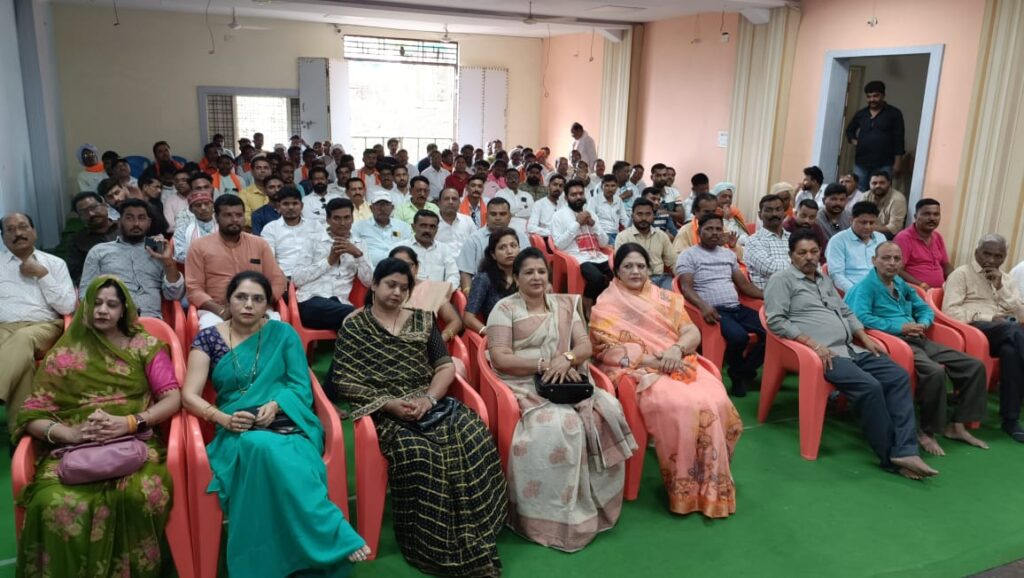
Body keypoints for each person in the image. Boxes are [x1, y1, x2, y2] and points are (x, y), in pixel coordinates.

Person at [182, 271, 369, 576]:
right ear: (228, 300)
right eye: (241, 297)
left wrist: (276, 403)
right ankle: (331, 531)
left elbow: (300, 386)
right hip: (236, 426)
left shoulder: (283, 334)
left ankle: (317, 539)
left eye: (257, 299)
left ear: (267, 305)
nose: (248, 305)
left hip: (287, 420)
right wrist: (224, 419)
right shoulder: (208, 339)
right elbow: (189, 395)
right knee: (257, 445)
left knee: (275, 449)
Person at [331, 259, 506, 575]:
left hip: (430, 403)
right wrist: (388, 404)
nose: (397, 292)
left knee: (472, 432)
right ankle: (433, 544)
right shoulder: (355, 326)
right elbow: (343, 379)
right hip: (387, 413)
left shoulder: (421, 320)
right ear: (374, 285)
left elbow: (444, 366)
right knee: (421, 453)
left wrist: (429, 398)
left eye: (404, 288)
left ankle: (479, 526)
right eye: (390, 285)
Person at [14, 276, 183, 577]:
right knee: (49, 502)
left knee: (138, 495)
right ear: (86, 307)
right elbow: (33, 414)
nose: (103, 310)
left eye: (112, 304)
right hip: (71, 450)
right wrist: (71, 434)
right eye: (97, 303)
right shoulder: (63, 356)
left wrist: (129, 422)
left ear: (124, 310)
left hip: (134, 444)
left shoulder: (144, 346)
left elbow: (172, 398)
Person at [487, 247, 637, 551]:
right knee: (563, 425)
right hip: (525, 382)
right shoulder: (504, 308)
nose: (536, 277)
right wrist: (544, 365)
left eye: (541, 271)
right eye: (528, 272)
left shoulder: (565, 305)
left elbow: (584, 346)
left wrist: (566, 359)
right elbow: (500, 358)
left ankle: (596, 502)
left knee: (607, 409)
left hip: (568, 377)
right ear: (516, 277)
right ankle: (550, 516)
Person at [765, 229, 938, 479]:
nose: (809, 257)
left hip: (851, 348)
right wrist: (812, 343)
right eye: (802, 253)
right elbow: (776, 320)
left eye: (814, 252)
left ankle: (906, 450)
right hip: (822, 354)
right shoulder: (781, 280)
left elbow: (846, 311)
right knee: (870, 387)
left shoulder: (823, 279)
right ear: (791, 255)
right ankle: (890, 458)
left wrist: (865, 338)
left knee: (898, 376)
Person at [591, 243, 742, 517]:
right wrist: (655, 362)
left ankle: (711, 482)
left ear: (649, 269)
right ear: (617, 271)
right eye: (628, 266)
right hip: (642, 371)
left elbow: (691, 331)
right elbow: (605, 350)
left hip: (679, 360)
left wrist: (676, 350)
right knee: (682, 405)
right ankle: (685, 489)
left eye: (641, 266)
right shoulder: (606, 304)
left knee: (717, 398)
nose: (635, 271)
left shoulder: (665, 298)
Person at [845, 242, 988, 456]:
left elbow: (923, 308)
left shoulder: (900, 283)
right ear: (874, 261)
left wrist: (923, 323)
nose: (892, 263)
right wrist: (900, 327)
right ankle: (926, 431)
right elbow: (860, 318)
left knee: (974, 365)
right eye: (886, 258)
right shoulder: (865, 287)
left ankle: (957, 426)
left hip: (919, 338)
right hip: (894, 342)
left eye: (896, 259)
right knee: (934, 371)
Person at [943, 234, 1024, 442]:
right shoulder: (961, 274)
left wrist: (1000, 287)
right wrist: (988, 317)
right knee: (1014, 331)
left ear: (1004, 257)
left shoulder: (1006, 279)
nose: (991, 260)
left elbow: (1021, 313)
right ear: (976, 252)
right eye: (987, 254)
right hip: (974, 330)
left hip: (1005, 333)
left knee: (1011, 350)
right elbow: (950, 311)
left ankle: (1010, 419)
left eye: (998, 256)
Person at [676, 214, 766, 396]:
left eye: (718, 229)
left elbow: (744, 286)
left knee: (772, 332)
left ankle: (741, 372)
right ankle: (740, 375)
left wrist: (769, 296)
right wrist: (703, 306)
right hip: (714, 311)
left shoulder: (728, 254)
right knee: (739, 338)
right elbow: (686, 288)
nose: (715, 233)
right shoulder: (688, 255)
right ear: (699, 232)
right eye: (709, 229)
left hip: (737, 307)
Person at [0, 213, 75, 425]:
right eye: (10, 230)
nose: (18, 233)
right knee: (21, 360)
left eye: (23, 227)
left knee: (22, 338)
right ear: (3, 238)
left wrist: (42, 274)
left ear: (34, 231)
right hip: (4, 328)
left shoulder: (55, 263)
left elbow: (67, 306)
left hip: (44, 327)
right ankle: (22, 429)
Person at [185, 195, 287, 329]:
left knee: (275, 327)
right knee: (210, 331)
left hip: (257, 307)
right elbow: (194, 288)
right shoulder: (199, 246)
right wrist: (221, 311)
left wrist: (260, 303)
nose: (234, 219)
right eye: (228, 215)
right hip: (217, 310)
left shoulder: (259, 244)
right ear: (216, 217)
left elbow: (277, 280)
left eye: (239, 215)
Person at [81, 199, 184, 319]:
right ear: (120, 221)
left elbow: (175, 295)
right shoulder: (99, 251)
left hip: (150, 320)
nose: (136, 223)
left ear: (149, 222)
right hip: (112, 320)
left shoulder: (158, 250)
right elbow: (85, 293)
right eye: (129, 218)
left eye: (142, 218)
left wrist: (168, 262)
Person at [292, 198, 372, 331]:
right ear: (328, 220)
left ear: (352, 218)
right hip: (311, 301)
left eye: (347, 218)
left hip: (341, 303)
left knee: (355, 318)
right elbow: (297, 279)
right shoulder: (313, 240)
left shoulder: (359, 244)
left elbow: (369, 282)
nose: (342, 223)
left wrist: (358, 255)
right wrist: (329, 261)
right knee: (357, 316)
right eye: (337, 218)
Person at [552, 179, 613, 314]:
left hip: (598, 256)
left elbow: (604, 243)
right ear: (566, 198)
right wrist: (577, 224)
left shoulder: (591, 214)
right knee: (597, 278)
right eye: (574, 195)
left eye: (580, 193)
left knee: (618, 273)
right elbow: (559, 245)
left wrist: (593, 224)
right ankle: (587, 303)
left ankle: (606, 305)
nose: (578, 197)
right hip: (578, 259)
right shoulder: (559, 216)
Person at [388, 246, 463, 342]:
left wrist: (441, 339)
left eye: (408, 265)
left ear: (417, 268)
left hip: (423, 345)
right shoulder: (382, 289)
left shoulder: (432, 289)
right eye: (397, 265)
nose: (403, 269)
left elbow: (455, 321)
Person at [456, 197, 530, 292]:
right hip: (484, 291)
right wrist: (469, 294)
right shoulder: (474, 240)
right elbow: (465, 272)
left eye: (502, 214)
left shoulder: (522, 237)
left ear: (509, 217)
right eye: (493, 214)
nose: (498, 218)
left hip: (520, 290)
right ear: (486, 216)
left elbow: (530, 265)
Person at [845, 80, 906, 190]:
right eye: (869, 97)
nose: (872, 99)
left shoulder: (894, 113)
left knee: (881, 192)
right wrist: (856, 142)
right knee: (859, 192)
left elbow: (899, 139)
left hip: (884, 163)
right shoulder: (861, 114)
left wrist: (898, 163)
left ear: (883, 95)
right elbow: (849, 131)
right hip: (861, 163)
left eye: (875, 96)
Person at [463, 227, 520, 336]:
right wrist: (489, 333)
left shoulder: (525, 275)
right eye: (502, 247)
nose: (509, 251)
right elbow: (468, 318)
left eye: (513, 246)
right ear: (493, 254)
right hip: (499, 336)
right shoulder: (484, 279)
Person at [614, 198, 676, 289]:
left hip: (661, 279)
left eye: (648, 214)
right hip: (636, 279)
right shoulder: (623, 237)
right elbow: (620, 266)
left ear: (653, 216)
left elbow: (673, 262)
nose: (644, 218)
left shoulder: (661, 235)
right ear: (632, 216)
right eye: (639, 214)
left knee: (673, 294)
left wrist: (682, 278)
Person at [825, 201, 887, 292]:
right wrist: (856, 292)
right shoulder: (838, 241)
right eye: (863, 222)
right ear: (851, 220)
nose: (868, 227)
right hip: (853, 292)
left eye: (872, 223)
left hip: (881, 290)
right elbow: (836, 275)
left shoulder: (881, 238)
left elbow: (886, 268)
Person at [893, 198, 952, 290]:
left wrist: (955, 279)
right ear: (915, 216)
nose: (932, 218)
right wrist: (921, 285)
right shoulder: (904, 238)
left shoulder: (937, 237)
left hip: (939, 291)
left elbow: (946, 265)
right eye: (926, 214)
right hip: (914, 291)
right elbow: (897, 269)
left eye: (936, 214)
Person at [351, 190, 413, 266]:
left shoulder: (404, 227)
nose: (382, 208)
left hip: (398, 269)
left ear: (392, 208)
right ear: (371, 208)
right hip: (370, 270)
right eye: (378, 204)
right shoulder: (358, 227)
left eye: (386, 204)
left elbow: (409, 251)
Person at [69, 191, 119, 285]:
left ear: (105, 205)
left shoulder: (124, 227)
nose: (91, 214)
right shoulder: (78, 241)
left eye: (94, 207)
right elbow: (77, 273)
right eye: (83, 212)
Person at [743, 194, 790, 289]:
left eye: (778, 209)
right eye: (769, 210)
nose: (774, 214)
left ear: (784, 213)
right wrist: (801, 265)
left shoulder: (793, 238)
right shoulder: (753, 241)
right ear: (760, 215)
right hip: (771, 293)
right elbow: (770, 268)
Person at [407, 210, 459, 288]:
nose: (427, 230)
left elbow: (453, 276)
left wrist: (442, 291)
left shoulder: (444, 249)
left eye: (432, 227)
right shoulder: (400, 248)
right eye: (423, 226)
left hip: (438, 293)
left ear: (437, 229)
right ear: (413, 227)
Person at [173, 189, 218, 263]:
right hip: (195, 268)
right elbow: (180, 255)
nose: (203, 208)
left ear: (213, 205)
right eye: (198, 205)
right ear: (191, 209)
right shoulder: (183, 230)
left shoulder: (223, 226)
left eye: (206, 203)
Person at [863, 170, 907, 239]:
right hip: (868, 229)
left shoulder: (897, 199)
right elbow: (860, 217)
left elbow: (895, 227)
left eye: (882, 183)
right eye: (874, 183)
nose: (878, 186)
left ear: (889, 183)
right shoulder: (865, 196)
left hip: (888, 233)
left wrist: (871, 228)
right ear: (869, 184)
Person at [589, 174, 630, 245]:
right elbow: (591, 220)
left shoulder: (618, 200)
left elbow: (624, 219)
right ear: (602, 186)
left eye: (613, 186)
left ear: (617, 187)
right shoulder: (594, 200)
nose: (610, 189)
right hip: (601, 234)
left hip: (616, 234)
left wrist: (631, 231)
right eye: (607, 186)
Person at [435, 187, 475, 259]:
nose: (451, 202)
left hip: (465, 263)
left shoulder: (467, 221)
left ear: (459, 203)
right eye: (446, 199)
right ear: (439, 203)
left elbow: (475, 244)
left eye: (454, 199)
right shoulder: (432, 223)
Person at [238, 156, 273, 229]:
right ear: (252, 172)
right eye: (258, 168)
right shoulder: (244, 193)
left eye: (266, 168)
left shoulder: (278, 191)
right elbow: (245, 217)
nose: (262, 171)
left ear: (271, 171)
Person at [526, 173, 565, 238]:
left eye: (560, 186)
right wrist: (550, 233)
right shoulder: (539, 204)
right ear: (548, 186)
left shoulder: (564, 205)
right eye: (555, 184)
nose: (557, 188)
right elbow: (530, 227)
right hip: (546, 239)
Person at [711, 182, 749, 247]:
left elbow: (744, 235)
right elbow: (722, 238)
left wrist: (740, 240)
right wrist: (725, 219)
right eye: (724, 196)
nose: (728, 199)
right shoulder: (710, 213)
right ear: (715, 198)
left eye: (730, 197)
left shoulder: (735, 213)